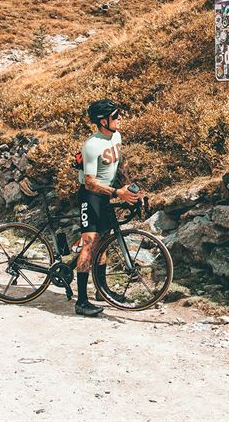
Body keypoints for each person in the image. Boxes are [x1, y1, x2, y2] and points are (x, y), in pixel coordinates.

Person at [75, 99, 141, 316]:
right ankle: (81, 301)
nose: (120, 118)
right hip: (90, 196)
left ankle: (101, 291)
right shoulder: (91, 145)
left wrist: (129, 186)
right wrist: (117, 193)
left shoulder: (116, 136)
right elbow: (90, 183)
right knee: (90, 244)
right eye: (116, 116)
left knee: (103, 240)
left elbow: (119, 164)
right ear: (103, 121)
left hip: (106, 194)